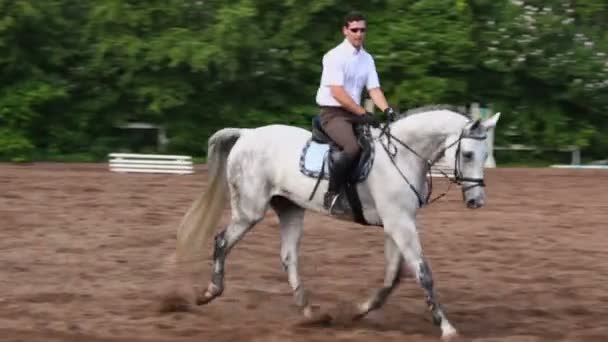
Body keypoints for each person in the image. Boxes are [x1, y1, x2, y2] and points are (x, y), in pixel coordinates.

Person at [315, 11, 396, 211]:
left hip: (355, 114)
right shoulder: (334, 56)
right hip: (333, 113)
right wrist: (362, 112)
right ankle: (332, 194)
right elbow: (337, 92)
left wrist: (387, 109)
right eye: (354, 30)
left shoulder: (367, 59)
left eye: (362, 30)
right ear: (345, 30)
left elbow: (374, 89)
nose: (359, 34)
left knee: (379, 145)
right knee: (352, 147)